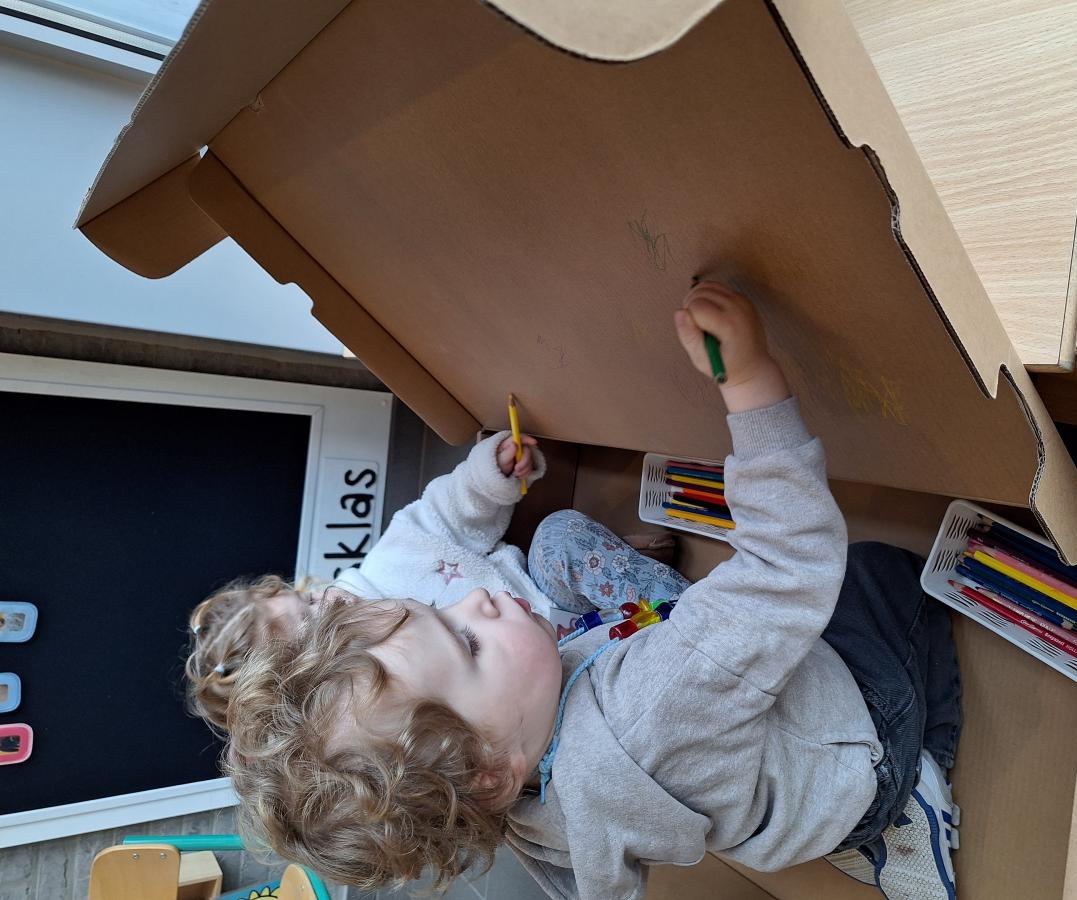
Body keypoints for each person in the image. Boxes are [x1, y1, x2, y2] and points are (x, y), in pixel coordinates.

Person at [222, 282, 962, 900]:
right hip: (858, 753)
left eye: (441, 608)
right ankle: (914, 793)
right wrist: (751, 385)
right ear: (489, 774)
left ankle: (861, 822)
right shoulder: (652, 702)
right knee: (878, 573)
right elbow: (790, 563)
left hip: (774, 813)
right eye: (468, 643)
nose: (475, 599)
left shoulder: (512, 805)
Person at [186, 433, 688, 733]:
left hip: (551, 602)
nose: (327, 597)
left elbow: (443, 513)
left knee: (558, 537)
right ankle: (639, 612)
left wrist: (489, 475)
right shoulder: (377, 706)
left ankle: (683, 609)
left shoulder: (386, 565)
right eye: (313, 618)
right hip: (559, 689)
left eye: (305, 595)